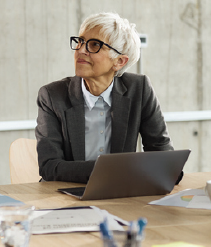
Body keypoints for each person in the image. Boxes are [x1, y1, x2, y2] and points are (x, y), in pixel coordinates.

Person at [35, 13, 173, 183]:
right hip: (65, 194)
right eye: (80, 41)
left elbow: (161, 152)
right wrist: (115, 170)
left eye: (94, 45)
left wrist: (170, 170)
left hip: (118, 194)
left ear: (120, 61)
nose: (81, 50)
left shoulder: (139, 88)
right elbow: (49, 166)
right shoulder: (52, 96)